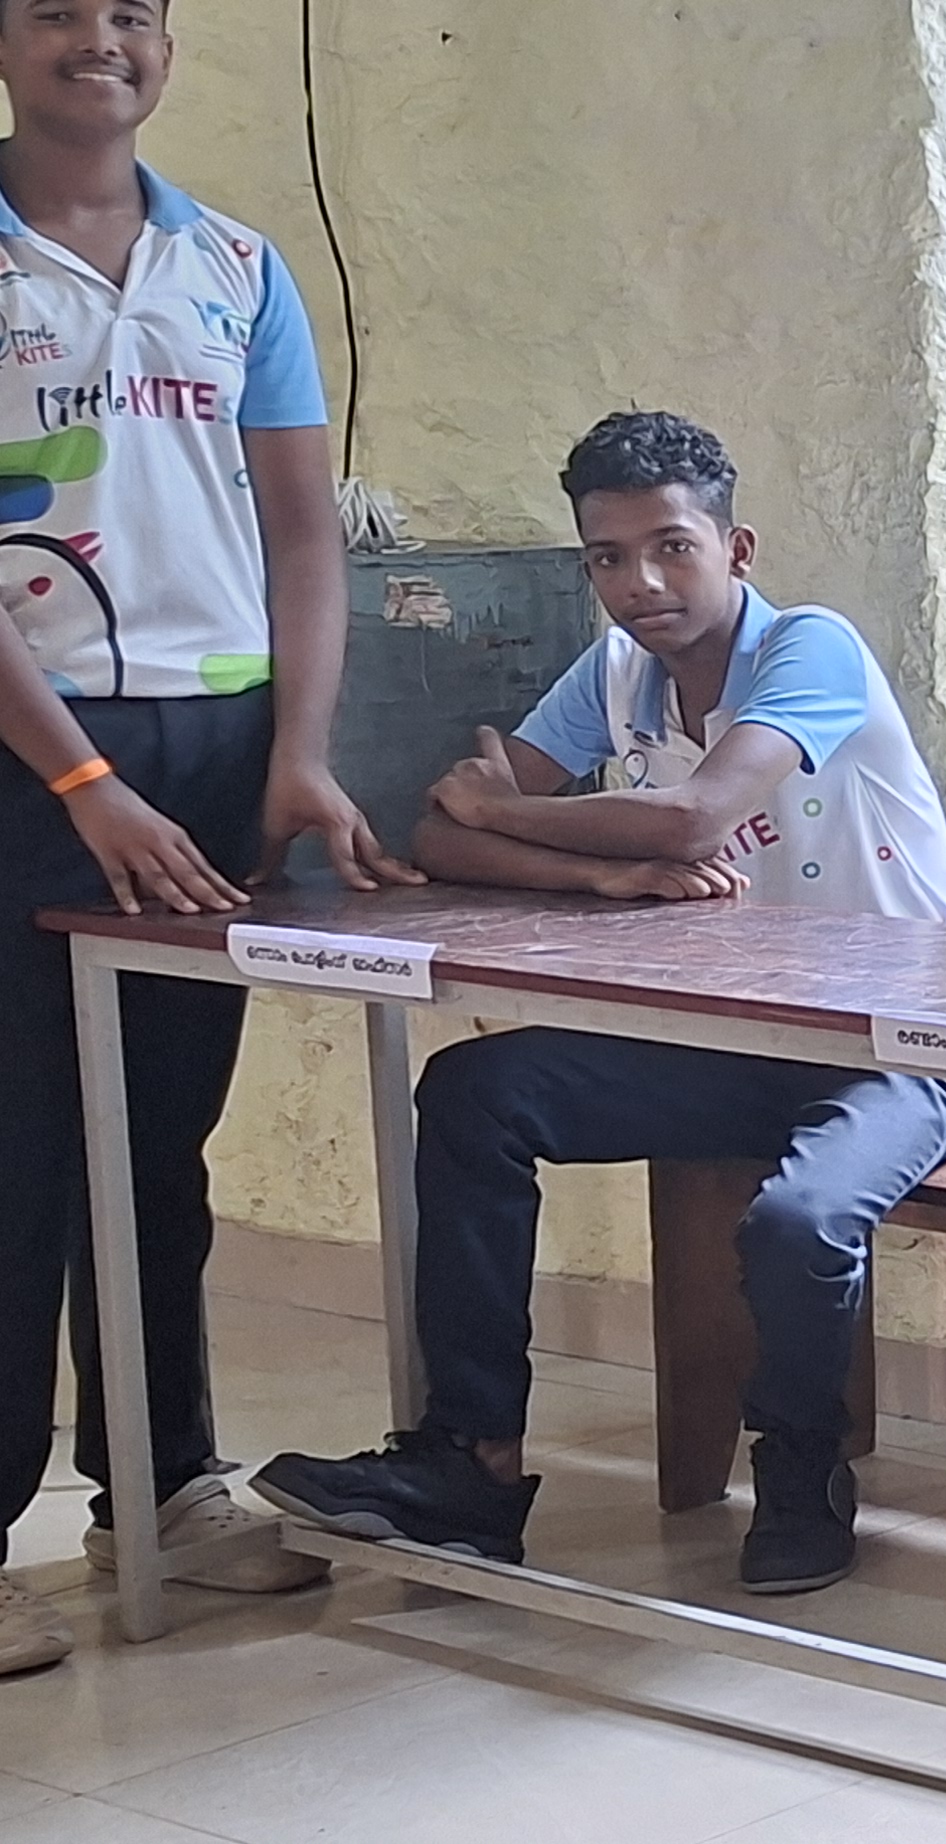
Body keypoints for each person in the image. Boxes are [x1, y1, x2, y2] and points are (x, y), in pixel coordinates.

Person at [250, 411, 946, 1597]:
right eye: (608, 556)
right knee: (478, 1089)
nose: (640, 583)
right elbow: (440, 837)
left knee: (799, 1220)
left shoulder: (810, 647)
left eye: (671, 548)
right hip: (736, 1037)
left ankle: (801, 1467)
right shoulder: (615, 673)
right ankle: (470, 1464)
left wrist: (512, 814)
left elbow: (691, 817)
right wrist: (598, 873)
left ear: (735, 548)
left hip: (911, 1040)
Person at [0, 0, 411, 1677]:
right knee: (18, 1149)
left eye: (132, 14)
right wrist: (83, 782)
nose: (98, 41)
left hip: (218, 750)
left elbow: (303, 532)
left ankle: (162, 1488)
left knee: (156, 1144)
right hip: (35, 751)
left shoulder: (236, 266)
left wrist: (298, 753)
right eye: (56, 11)